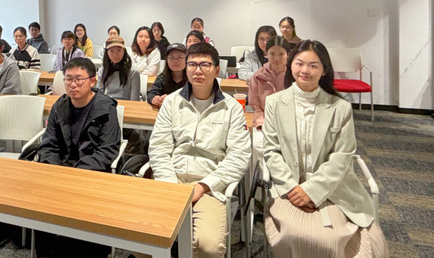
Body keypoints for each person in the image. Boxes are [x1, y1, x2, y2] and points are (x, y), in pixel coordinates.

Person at [263, 40, 388, 258]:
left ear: (324, 70)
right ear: (291, 66)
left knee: (331, 238)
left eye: (313, 65)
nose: (305, 70)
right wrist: (293, 189)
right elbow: (271, 151)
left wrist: (311, 191)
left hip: (333, 188)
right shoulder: (274, 102)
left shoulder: (340, 107)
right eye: (299, 63)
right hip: (288, 188)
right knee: (294, 233)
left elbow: (342, 156)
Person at [149, 42, 251, 258]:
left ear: (216, 69)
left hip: (209, 186)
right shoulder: (171, 102)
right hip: (172, 181)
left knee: (208, 247)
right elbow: (159, 148)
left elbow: (238, 156)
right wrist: (169, 183)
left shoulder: (231, 108)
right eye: (192, 64)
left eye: (205, 65)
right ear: (186, 68)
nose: (198, 70)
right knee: (141, 236)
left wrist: (204, 186)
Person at [37, 57, 120, 258]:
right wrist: (56, 170)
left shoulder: (105, 108)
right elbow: (49, 144)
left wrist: (74, 175)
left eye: (79, 79)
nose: (73, 84)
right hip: (60, 172)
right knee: (40, 204)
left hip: (91, 175)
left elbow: (106, 151)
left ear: (92, 81)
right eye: (68, 79)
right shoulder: (60, 106)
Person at [247, 36, 289, 159]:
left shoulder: (293, 76)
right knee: (258, 147)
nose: (276, 58)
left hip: (289, 124)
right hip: (264, 123)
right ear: (266, 54)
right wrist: (262, 124)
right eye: (272, 54)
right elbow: (255, 107)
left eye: (281, 54)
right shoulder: (258, 76)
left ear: (288, 54)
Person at [97, 36, 140, 101]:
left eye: (119, 50)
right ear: (107, 52)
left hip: (127, 104)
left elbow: (134, 100)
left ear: (124, 51)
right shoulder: (103, 70)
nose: (115, 54)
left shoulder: (133, 71)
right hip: (109, 103)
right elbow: (99, 95)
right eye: (111, 51)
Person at [147, 43, 188, 109]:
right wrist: (154, 99)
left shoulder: (192, 78)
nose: (175, 61)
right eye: (171, 58)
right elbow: (152, 93)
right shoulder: (162, 77)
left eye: (180, 57)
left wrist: (169, 98)